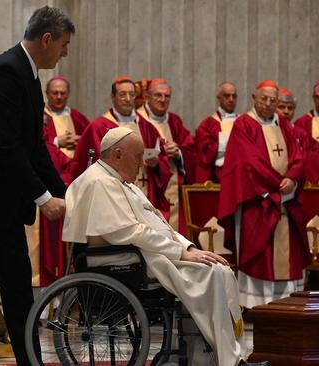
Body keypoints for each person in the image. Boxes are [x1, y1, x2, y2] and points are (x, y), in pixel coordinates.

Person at [62, 127, 270, 366]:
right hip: (123, 259)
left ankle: (203, 358)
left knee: (216, 269)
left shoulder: (119, 181)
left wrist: (189, 249)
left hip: (142, 253)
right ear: (118, 154)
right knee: (210, 273)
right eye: (137, 156)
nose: (142, 163)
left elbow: (159, 224)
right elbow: (128, 231)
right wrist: (179, 252)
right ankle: (226, 361)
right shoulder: (99, 182)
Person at [0, 6, 74, 364]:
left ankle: (30, 361)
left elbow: (35, 146)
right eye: (63, 45)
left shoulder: (25, 74)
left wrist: (63, 193)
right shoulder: (5, 72)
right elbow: (7, 146)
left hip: (2, 207)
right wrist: (44, 199)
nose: (65, 53)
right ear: (47, 39)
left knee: (18, 290)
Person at [218, 80, 310, 308]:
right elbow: (248, 163)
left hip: (285, 201)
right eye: (264, 99)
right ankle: (257, 306)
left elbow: (299, 156)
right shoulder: (243, 125)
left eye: (273, 100)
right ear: (254, 98)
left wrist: (292, 178)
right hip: (257, 201)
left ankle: (285, 304)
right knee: (259, 254)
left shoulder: (285, 126)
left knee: (288, 256)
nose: (268, 104)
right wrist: (277, 185)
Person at [71, 77, 172, 217]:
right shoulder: (99, 127)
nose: (128, 98)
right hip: (111, 197)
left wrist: (156, 164)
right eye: (122, 94)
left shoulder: (147, 127)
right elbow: (91, 165)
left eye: (132, 94)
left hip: (143, 193)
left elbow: (162, 161)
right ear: (113, 97)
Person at [32, 75, 89, 286]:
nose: (58, 97)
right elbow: (38, 147)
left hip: (70, 185)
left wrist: (80, 142)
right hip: (47, 189)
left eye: (62, 93)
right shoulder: (39, 116)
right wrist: (57, 141)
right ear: (47, 93)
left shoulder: (78, 118)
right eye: (54, 92)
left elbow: (90, 146)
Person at [137, 78, 196, 233]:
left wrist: (179, 153)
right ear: (148, 96)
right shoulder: (137, 120)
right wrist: (160, 157)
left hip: (173, 188)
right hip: (147, 184)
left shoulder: (175, 121)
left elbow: (191, 150)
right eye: (158, 95)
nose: (162, 100)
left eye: (167, 96)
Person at [195, 81, 239, 183]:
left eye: (234, 96)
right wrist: (228, 141)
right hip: (218, 177)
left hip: (240, 176)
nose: (231, 100)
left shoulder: (244, 122)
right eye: (227, 96)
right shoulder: (207, 124)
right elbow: (205, 154)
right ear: (219, 98)